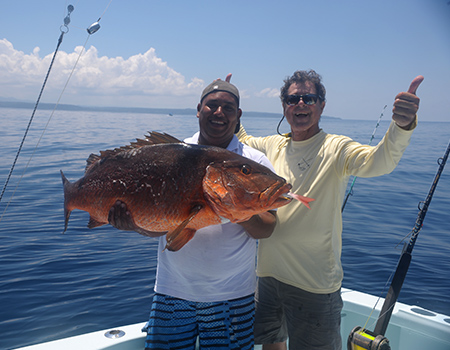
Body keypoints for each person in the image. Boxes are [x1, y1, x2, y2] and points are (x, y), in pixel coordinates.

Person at [236, 70, 424, 350]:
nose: (300, 104)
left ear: (322, 105)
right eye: (293, 99)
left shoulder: (337, 148)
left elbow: (380, 161)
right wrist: (227, 98)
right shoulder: (269, 146)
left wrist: (402, 126)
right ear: (284, 106)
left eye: (309, 98)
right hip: (267, 278)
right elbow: (240, 141)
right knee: (271, 344)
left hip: (314, 286)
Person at [108, 79, 278, 349]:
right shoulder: (173, 153)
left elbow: (268, 227)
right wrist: (135, 224)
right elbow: (161, 225)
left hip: (233, 295)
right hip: (172, 291)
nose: (219, 112)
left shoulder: (254, 162)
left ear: (238, 116)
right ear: (199, 109)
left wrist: (241, 208)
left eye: (228, 107)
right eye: (212, 105)